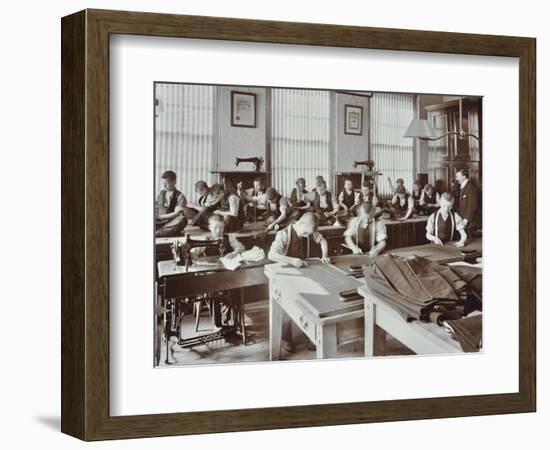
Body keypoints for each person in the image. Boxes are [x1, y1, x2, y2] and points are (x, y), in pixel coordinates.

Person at [268, 212, 330, 353]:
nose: (308, 236)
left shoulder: (309, 230)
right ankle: (287, 339)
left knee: (311, 303)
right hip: (286, 273)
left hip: (304, 271)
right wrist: (291, 260)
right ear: (301, 224)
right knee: (286, 308)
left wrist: (324, 255)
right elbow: (271, 255)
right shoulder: (283, 235)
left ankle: (311, 336)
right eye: (306, 233)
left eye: (310, 233)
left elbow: (323, 241)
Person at [191, 214, 245, 329]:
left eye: (221, 227)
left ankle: (234, 320)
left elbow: (241, 247)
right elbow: (193, 252)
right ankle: (218, 324)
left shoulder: (229, 237)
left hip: (226, 273)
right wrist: (191, 254)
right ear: (210, 227)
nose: (218, 230)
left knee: (235, 289)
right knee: (214, 291)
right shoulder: (206, 240)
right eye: (215, 227)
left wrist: (235, 252)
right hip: (212, 277)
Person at [155, 170, 188, 237]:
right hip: (159, 221)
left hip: (171, 222)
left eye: (167, 183)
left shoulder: (180, 196)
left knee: (182, 219)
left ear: (174, 182)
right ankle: (169, 232)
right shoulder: (160, 194)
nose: (164, 185)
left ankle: (158, 233)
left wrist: (161, 217)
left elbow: (177, 213)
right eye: (163, 183)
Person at [455, 169, 479, 234]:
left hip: (469, 222)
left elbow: (472, 206)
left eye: (458, 176)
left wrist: (465, 220)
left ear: (464, 177)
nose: (456, 178)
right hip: (463, 220)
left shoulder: (471, 188)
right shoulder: (461, 186)